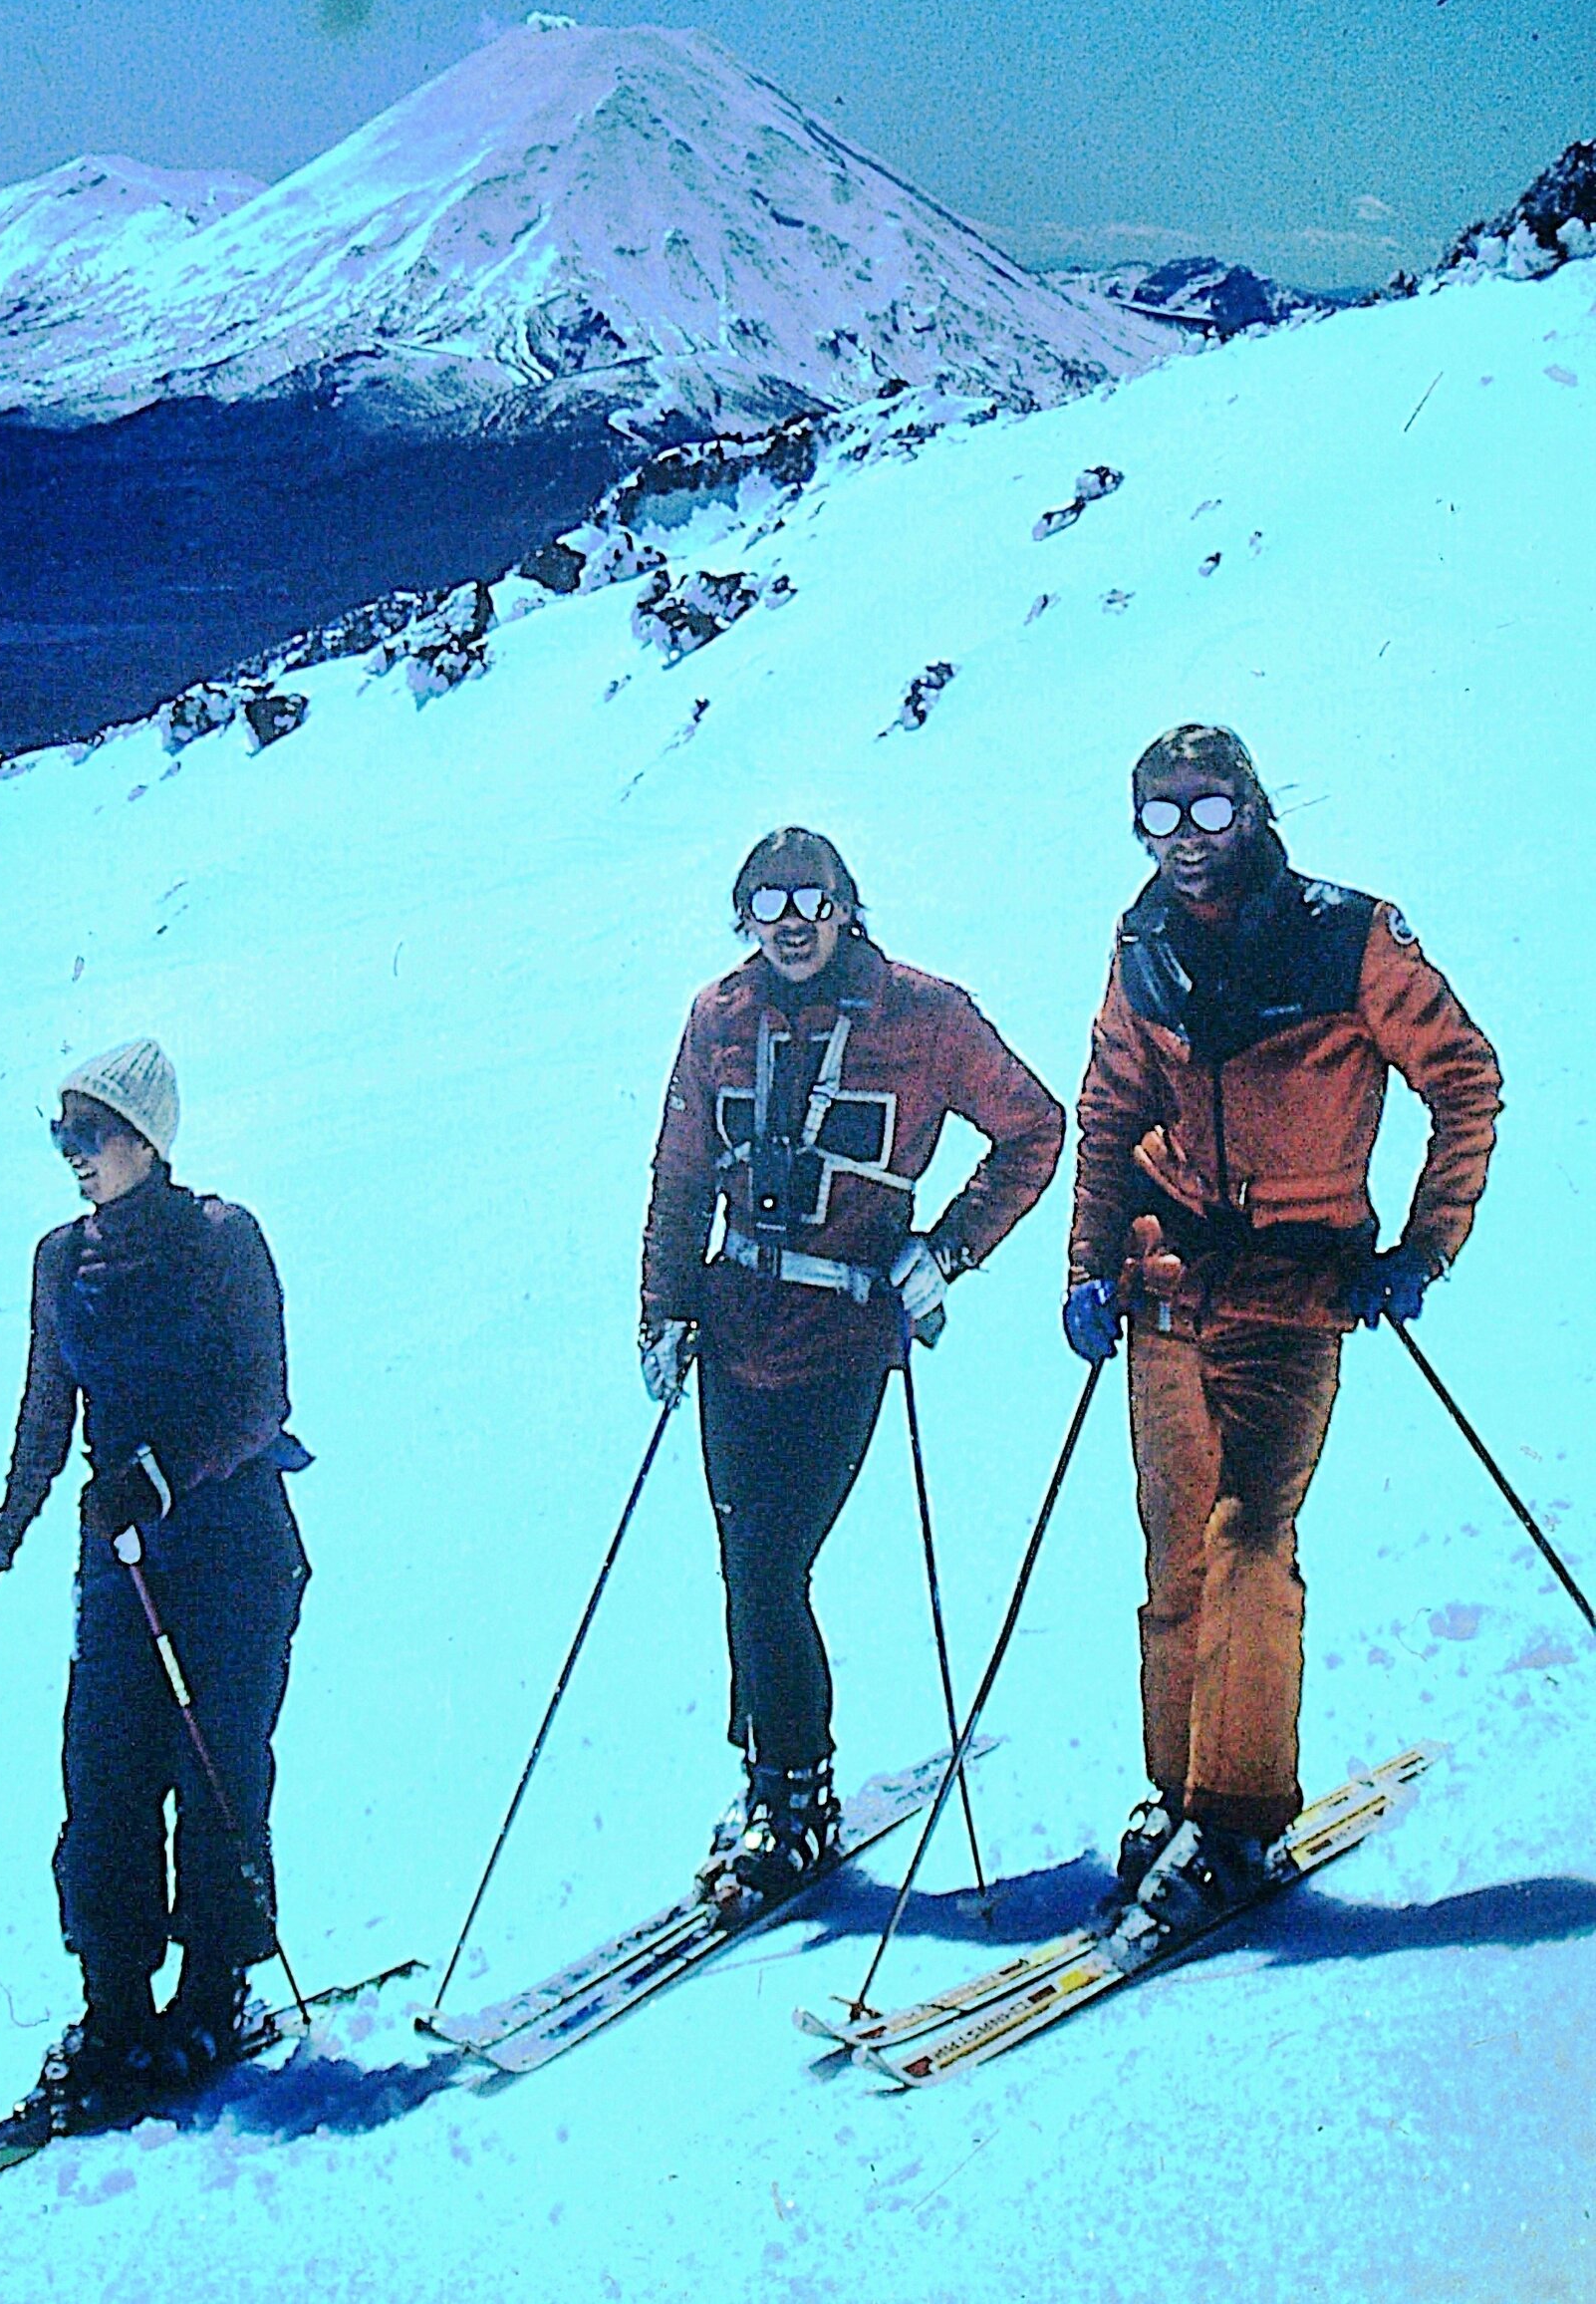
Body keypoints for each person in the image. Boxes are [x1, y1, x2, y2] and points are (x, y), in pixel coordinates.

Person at [1064, 725, 1501, 1944]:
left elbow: (1462, 1076)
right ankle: (1180, 1798)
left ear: (1251, 807)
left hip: (1294, 1296)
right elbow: (1108, 1106)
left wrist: (1423, 1245)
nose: (1182, 842)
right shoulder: (1140, 939)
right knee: (1172, 1569)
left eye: (1204, 812)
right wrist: (1088, 1265)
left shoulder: (1346, 933)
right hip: (1162, 1291)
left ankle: (1239, 1816)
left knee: (1250, 1542)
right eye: (1157, 818)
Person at [641, 826, 1065, 1910]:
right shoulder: (716, 1018)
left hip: (841, 1334)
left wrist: (949, 1250)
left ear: (845, 908)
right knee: (747, 1565)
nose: (790, 921)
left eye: (811, 900)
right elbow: (681, 1173)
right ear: (744, 913)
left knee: (770, 1568)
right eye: (768, 901)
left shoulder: (923, 1016)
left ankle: (794, 1800)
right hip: (735, 1328)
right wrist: (663, 1310)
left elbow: (1031, 1128)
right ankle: (769, 1776)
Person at [0, 1038, 311, 2123]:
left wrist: (162, 1477)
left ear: (147, 1139)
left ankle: (214, 1991)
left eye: (92, 1134)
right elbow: (43, 1420)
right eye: (61, 1136)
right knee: (102, 1779)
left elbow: (262, 1403)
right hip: (118, 1562)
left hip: (232, 1552)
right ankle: (114, 2010)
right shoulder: (61, 1260)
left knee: (214, 1771)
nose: (74, 1157)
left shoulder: (220, 1241)